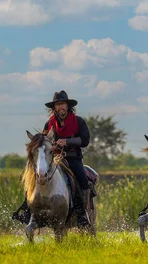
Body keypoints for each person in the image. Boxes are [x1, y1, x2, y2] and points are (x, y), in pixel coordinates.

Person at [12, 90, 93, 229]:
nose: (61, 107)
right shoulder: (49, 123)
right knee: (33, 176)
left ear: (68, 106)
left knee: (82, 180)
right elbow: (43, 142)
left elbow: (85, 140)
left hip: (72, 158)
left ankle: (82, 213)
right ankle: (28, 209)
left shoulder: (78, 121)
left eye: (63, 104)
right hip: (53, 158)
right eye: (58, 104)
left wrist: (67, 142)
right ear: (54, 107)